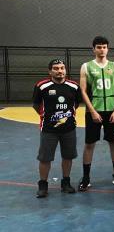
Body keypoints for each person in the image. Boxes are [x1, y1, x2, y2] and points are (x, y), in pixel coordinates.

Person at [78, 36, 114, 191]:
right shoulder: (86, 66)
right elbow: (83, 91)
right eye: (99, 47)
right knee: (90, 144)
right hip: (95, 110)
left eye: (104, 47)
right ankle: (86, 178)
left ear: (108, 49)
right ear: (93, 49)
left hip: (112, 110)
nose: (102, 50)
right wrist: (92, 111)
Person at [33, 59, 81, 197]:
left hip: (69, 128)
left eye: (62, 68)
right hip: (49, 129)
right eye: (56, 68)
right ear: (50, 71)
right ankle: (43, 185)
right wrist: (47, 117)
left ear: (65, 70)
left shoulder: (74, 86)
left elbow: (76, 104)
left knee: (68, 156)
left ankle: (66, 183)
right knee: (45, 158)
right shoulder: (42, 86)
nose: (59, 71)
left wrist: (64, 117)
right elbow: (36, 105)